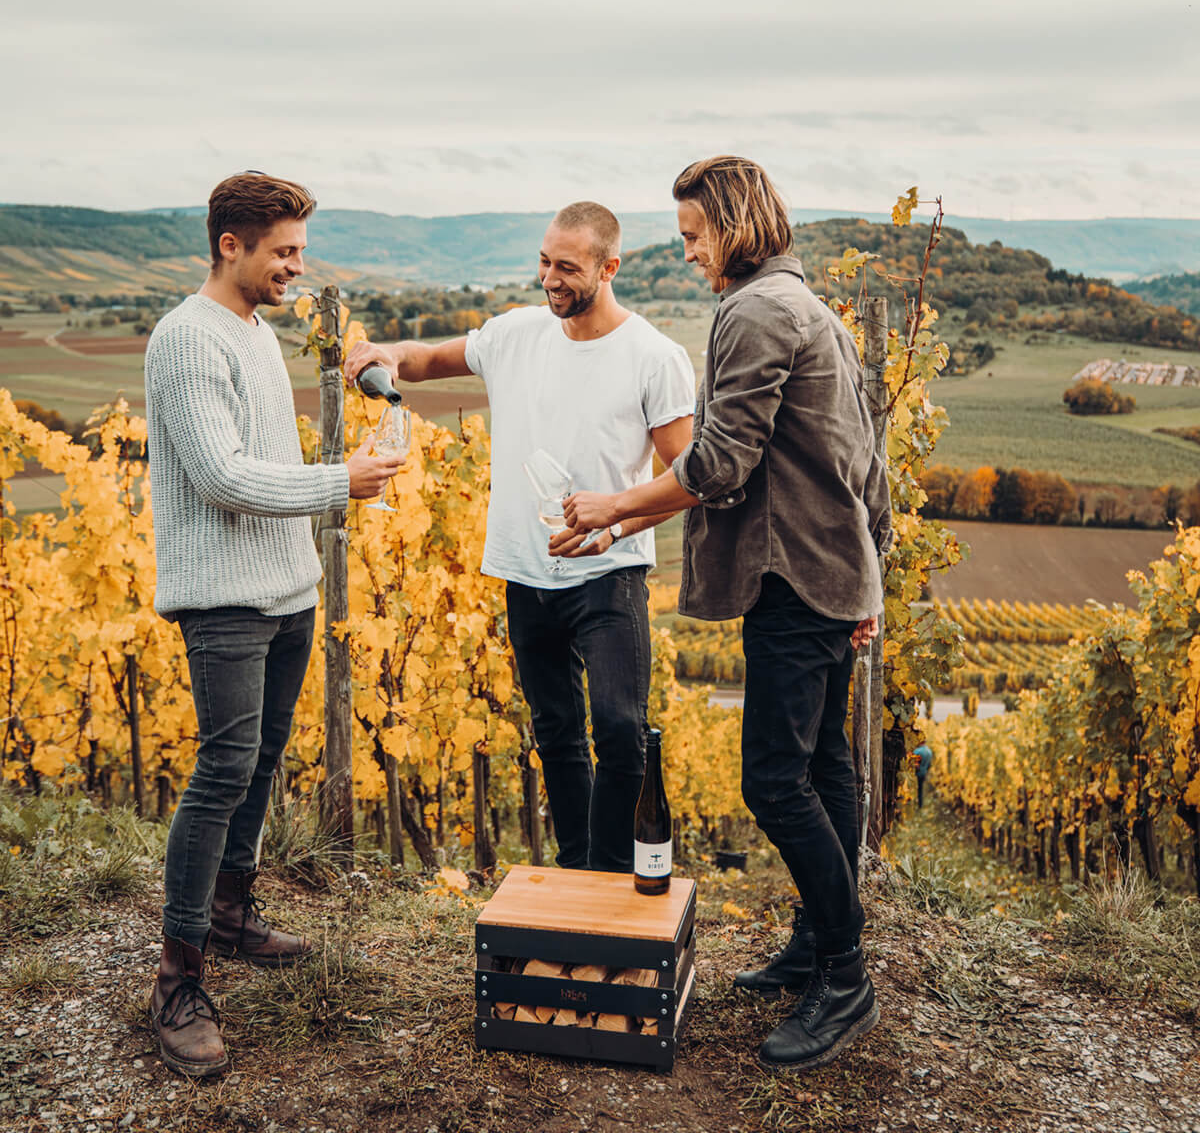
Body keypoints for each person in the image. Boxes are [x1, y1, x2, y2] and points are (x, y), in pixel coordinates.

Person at [564, 157, 891, 1072]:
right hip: (828, 570)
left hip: (792, 575)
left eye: (695, 235)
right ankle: (819, 943)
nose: (692, 253)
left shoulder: (754, 312)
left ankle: (847, 977)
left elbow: (720, 464)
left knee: (774, 781)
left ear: (736, 224)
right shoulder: (807, 304)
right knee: (823, 764)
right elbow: (865, 453)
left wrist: (615, 506)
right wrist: (868, 571)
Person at [345, 202, 695, 874]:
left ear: (609, 267)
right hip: (525, 574)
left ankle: (613, 879)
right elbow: (424, 362)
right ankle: (577, 877)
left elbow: (686, 480)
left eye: (567, 267)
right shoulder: (515, 335)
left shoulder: (654, 356)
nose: (550, 278)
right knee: (556, 736)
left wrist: (615, 523)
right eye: (544, 261)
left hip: (608, 573)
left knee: (621, 732)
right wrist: (389, 353)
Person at [144, 171, 402, 1078]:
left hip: (288, 587)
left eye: (299, 249)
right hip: (223, 596)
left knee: (259, 762)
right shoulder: (186, 339)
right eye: (285, 251)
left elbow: (262, 465)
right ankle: (177, 981)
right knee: (221, 771)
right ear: (232, 246)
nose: (298, 266)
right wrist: (342, 482)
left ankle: (230, 910)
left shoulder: (253, 332)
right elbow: (221, 476)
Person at [912, 741, 933, 807]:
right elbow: (929, 765)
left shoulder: (917, 751)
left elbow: (913, 763)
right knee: (920, 788)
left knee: (915, 788)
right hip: (924, 772)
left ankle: (915, 803)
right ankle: (920, 804)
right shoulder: (929, 751)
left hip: (916, 773)